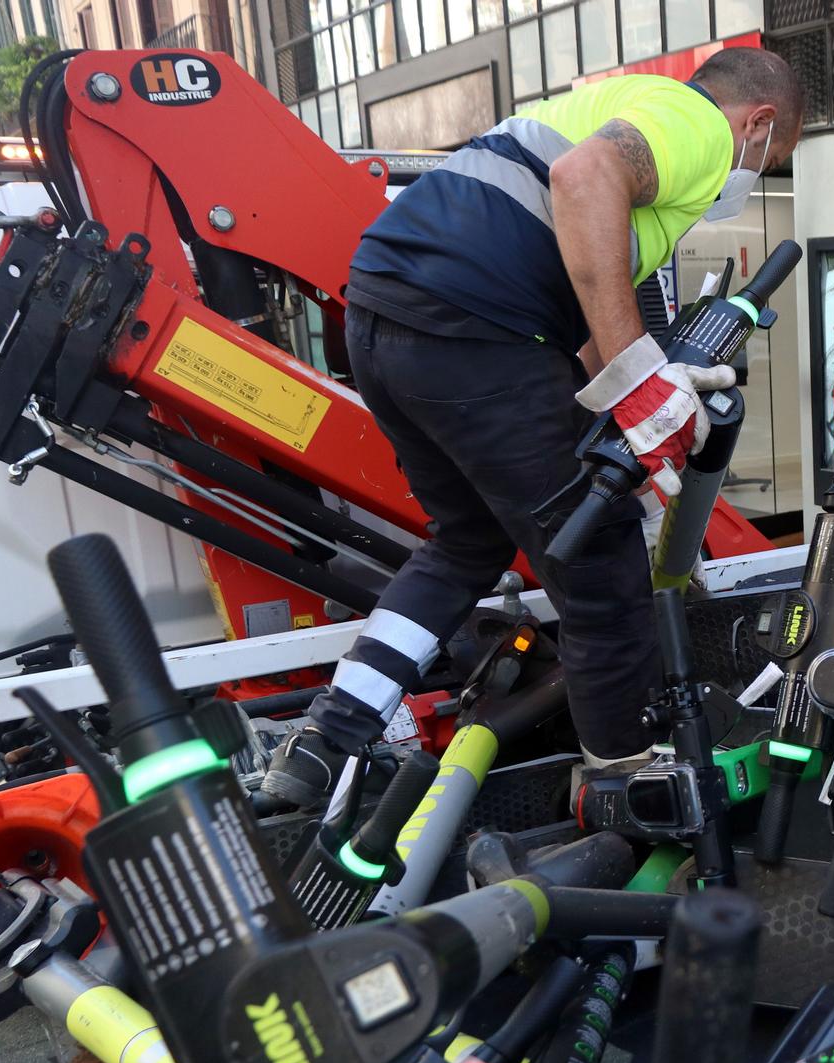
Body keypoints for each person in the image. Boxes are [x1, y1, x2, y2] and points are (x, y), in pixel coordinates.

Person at [261, 48, 803, 809]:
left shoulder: (620, 110)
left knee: (470, 541)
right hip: (474, 323)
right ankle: (623, 785)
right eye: (771, 160)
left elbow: (588, 324)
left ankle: (326, 738)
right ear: (760, 122)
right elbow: (583, 180)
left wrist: (622, 413)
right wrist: (643, 384)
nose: (752, 176)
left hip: (387, 317)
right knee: (603, 564)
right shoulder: (700, 127)